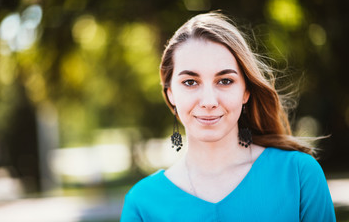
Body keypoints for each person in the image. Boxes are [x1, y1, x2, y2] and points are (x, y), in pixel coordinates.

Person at [120, 12, 336, 221]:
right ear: (170, 94)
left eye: (224, 81)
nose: (209, 101)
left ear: (246, 91)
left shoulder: (298, 175)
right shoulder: (142, 203)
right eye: (190, 82)